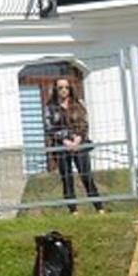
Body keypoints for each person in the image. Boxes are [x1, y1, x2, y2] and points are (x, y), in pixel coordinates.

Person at [44, 78, 104, 214]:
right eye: (60, 88)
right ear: (55, 89)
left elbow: (84, 124)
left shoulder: (78, 104)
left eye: (66, 87)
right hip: (61, 147)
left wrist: (78, 139)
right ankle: (73, 211)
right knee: (67, 178)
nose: (64, 90)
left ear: (70, 89)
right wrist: (64, 141)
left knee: (86, 176)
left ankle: (99, 208)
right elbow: (49, 128)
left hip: (79, 146)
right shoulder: (50, 107)